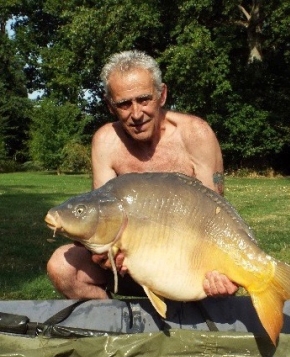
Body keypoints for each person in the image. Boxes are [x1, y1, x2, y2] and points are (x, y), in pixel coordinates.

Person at [47, 50, 238, 300]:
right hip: (130, 265)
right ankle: (114, 330)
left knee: (225, 277)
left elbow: (216, 216)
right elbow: (98, 223)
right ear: (110, 105)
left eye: (144, 99)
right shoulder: (106, 142)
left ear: (162, 95)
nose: (136, 114)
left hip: (191, 265)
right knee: (62, 266)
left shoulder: (196, 134)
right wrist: (102, 255)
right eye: (124, 104)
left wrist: (220, 271)